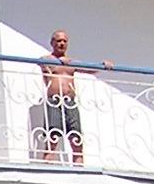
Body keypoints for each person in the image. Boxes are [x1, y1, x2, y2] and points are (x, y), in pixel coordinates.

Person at [34, 30, 111, 164]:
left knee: (76, 138)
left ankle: (79, 168)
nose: (62, 43)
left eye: (64, 41)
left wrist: (103, 65)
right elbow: (40, 62)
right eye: (58, 41)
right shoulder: (47, 60)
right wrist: (57, 62)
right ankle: (46, 165)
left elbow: (89, 69)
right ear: (52, 43)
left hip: (70, 102)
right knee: (53, 136)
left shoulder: (71, 62)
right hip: (54, 101)